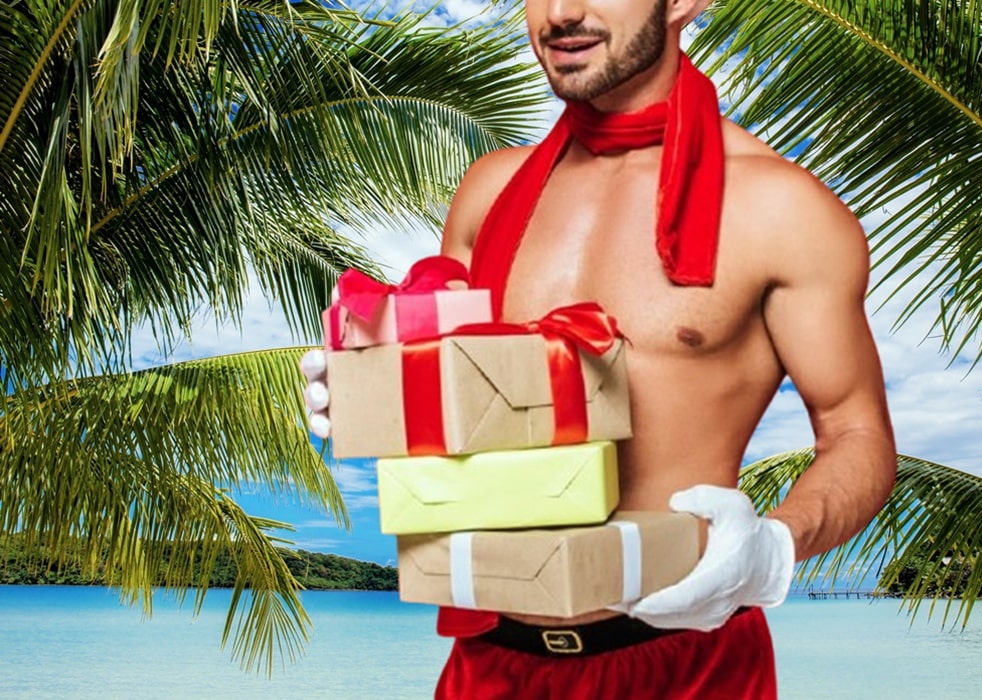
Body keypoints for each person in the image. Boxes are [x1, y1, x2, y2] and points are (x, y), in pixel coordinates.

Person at [302, 0, 897, 697]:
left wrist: (774, 548)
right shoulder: (488, 192)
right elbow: (477, 406)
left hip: (684, 665)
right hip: (490, 663)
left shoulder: (781, 210)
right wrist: (379, 391)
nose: (561, 13)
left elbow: (857, 433)